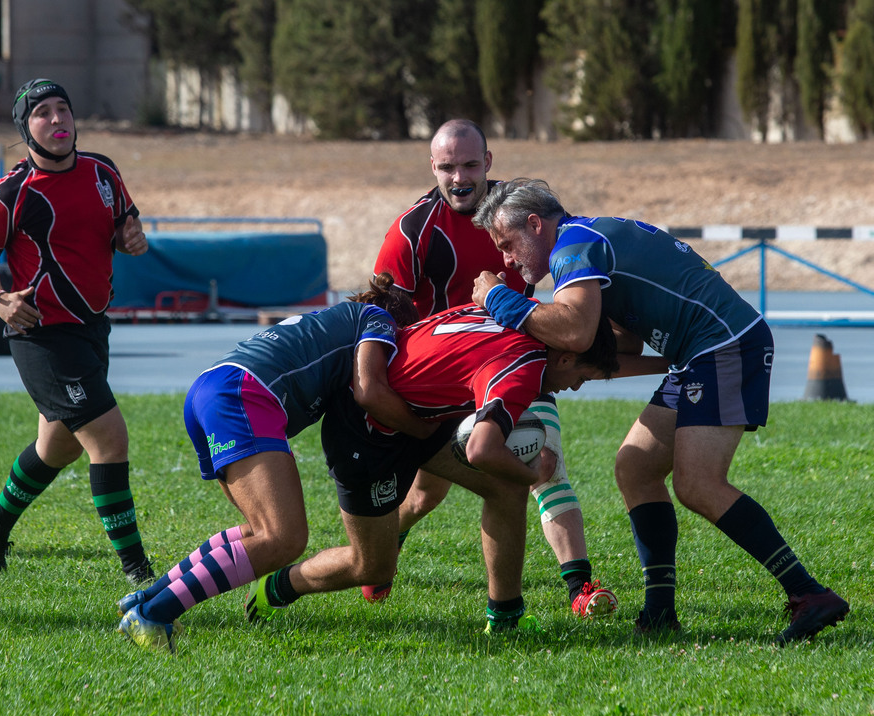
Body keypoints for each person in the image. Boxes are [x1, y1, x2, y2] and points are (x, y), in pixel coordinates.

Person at [470, 177, 850, 644]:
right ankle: (659, 612)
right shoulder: (584, 242)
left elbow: (573, 331)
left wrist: (496, 298)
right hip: (701, 353)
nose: (507, 259)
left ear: (535, 224)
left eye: (508, 244)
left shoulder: (572, 247)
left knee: (698, 484)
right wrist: (586, 364)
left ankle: (808, 593)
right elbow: (618, 344)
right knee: (636, 465)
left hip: (724, 346)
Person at [244, 304, 620, 635]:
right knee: (371, 566)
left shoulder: (521, 314)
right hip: (367, 431)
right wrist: (533, 472)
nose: (574, 388)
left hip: (420, 413)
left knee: (505, 486)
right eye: (581, 379)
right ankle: (279, 586)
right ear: (566, 358)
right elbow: (481, 451)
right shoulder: (523, 369)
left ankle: (505, 618)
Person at [369, 119, 616, 619]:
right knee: (424, 495)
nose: (459, 177)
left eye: (468, 165)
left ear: (488, 162)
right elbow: (378, 309)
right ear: (432, 167)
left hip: (516, 362)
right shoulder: (413, 230)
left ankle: (579, 588)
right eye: (447, 167)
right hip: (444, 378)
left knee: (543, 459)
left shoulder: (518, 214)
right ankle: (384, 546)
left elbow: (564, 272)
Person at [116, 276, 434, 653]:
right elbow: (370, 391)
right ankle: (153, 613)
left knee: (257, 530)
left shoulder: (336, 318)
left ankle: (144, 598)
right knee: (282, 538)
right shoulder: (378, 319)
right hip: (244, 395)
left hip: (212, 387)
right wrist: (425, 429)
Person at [0, 79, 155, 584]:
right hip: (41, 334)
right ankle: (139, 573)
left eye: (62, 109)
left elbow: (124, 226)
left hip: (92, 327)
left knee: (60, 445)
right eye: (42, 112)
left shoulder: (103, 171)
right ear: (25, 129)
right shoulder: (8, 193)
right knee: (109, 439)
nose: (56, 119)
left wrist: (131, 236)